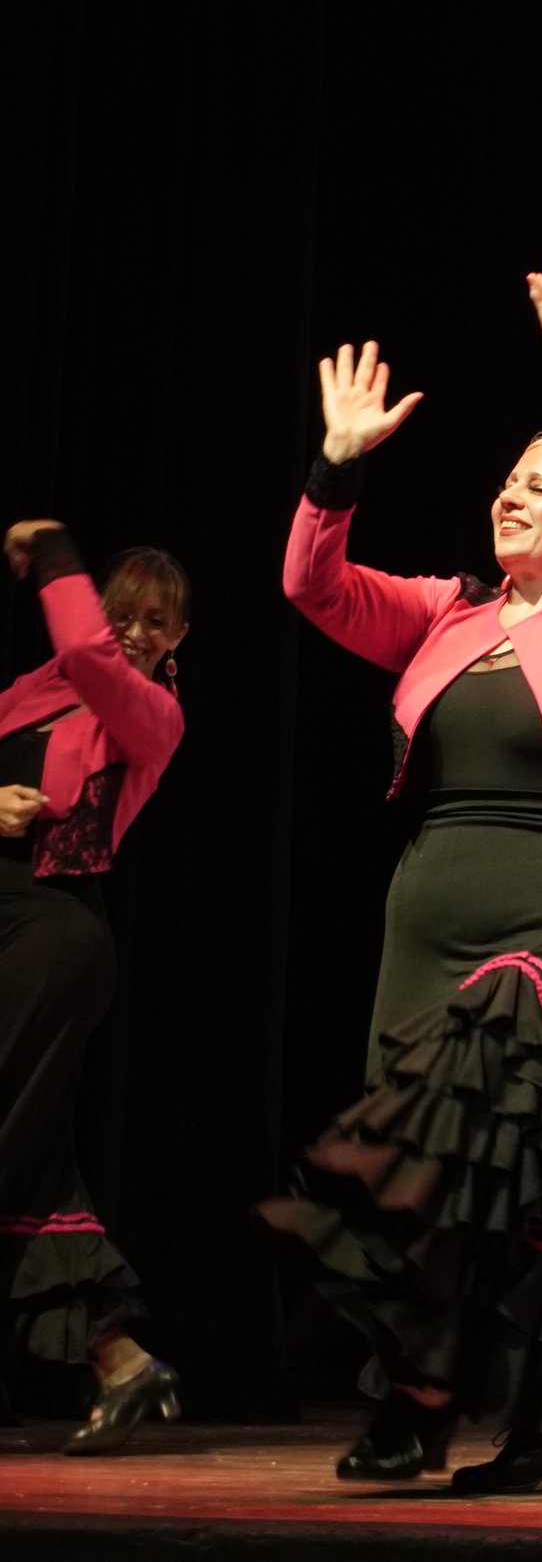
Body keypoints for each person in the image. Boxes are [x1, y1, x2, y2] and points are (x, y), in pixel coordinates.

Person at [260, 259, 542, 1495]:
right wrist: (336, 465)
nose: (511, 491)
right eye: (508, 478)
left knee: (503, 1122)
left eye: (541, 482)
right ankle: (450, 1400)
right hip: (428, 910)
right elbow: (310, 585)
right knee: (418, 1149)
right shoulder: (446, 614)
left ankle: (515, 1398)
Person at [0, 521, 186, 1453]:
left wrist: (54, 555)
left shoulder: (149, 711)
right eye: (125, 614)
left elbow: (86, 650)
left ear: (178, 638)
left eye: (159, 621)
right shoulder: (25, 695)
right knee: (25, 1156)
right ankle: (120, 1359)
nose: (139, 633)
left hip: (52, 930)